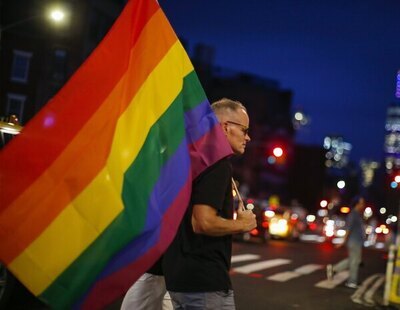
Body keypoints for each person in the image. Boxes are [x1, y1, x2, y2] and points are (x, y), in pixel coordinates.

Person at [163, 98, 257, 309]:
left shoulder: (191, 159)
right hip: (203, 280)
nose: (248, 137)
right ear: (225, 127)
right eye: (244, 130)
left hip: (180, 275)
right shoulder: (216, 164)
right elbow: (202, 222)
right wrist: (242, 224)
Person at [326, 195, 366, 289]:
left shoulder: (357, 214)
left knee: (354, 260)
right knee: (354, 262)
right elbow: (348, 228)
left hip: (356, 241)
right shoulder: (353, 214)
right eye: (361, 203)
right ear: (357, 204)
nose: (363, 205)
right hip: (353, 241)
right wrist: (343, 241)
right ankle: (352, 281)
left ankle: (334, 269)